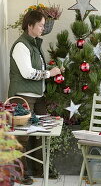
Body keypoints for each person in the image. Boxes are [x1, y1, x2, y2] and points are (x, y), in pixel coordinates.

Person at [8, 10, 61, 185]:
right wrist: (49, 73)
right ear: (30, 25)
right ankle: (19, 174)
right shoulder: (21, 45)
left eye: (44, 25)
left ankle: (40, 170)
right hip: (22, 98)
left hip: (37, 97)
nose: (43, 28)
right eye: (40, 25)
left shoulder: (34, 45)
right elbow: (28, 72)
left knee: (42, 133)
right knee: (22, 136)